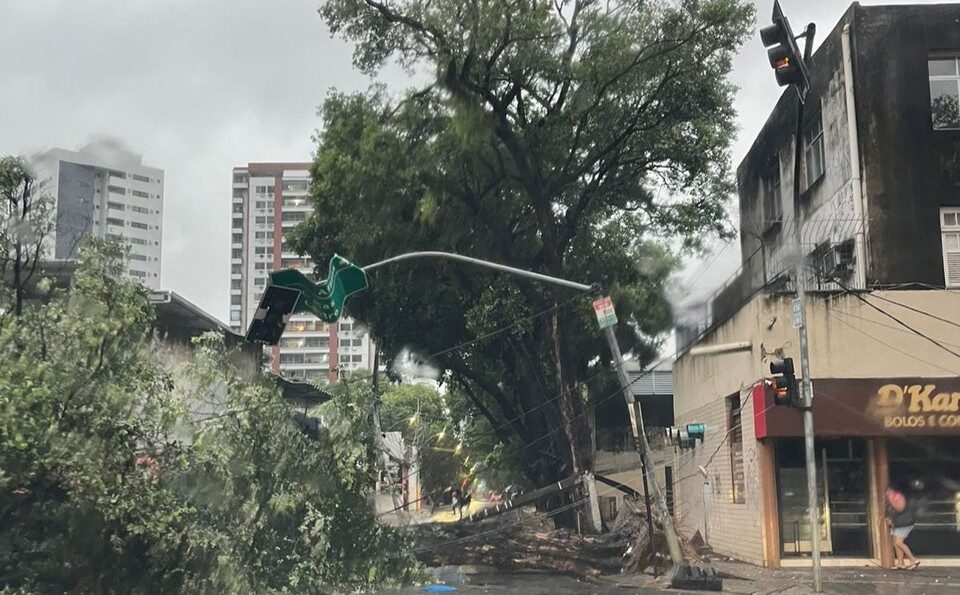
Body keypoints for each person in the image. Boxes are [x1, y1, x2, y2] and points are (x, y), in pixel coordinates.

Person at [885, 486, 920, 570]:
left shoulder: (898, 498)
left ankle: (913, 559)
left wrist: (892, 501)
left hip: (903, 523)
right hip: (897, 524)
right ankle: (900, 563)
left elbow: (900, 508)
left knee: (898, 542)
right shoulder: (890, 500)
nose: (888, 494)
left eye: (890, 492)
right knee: (895, 543)